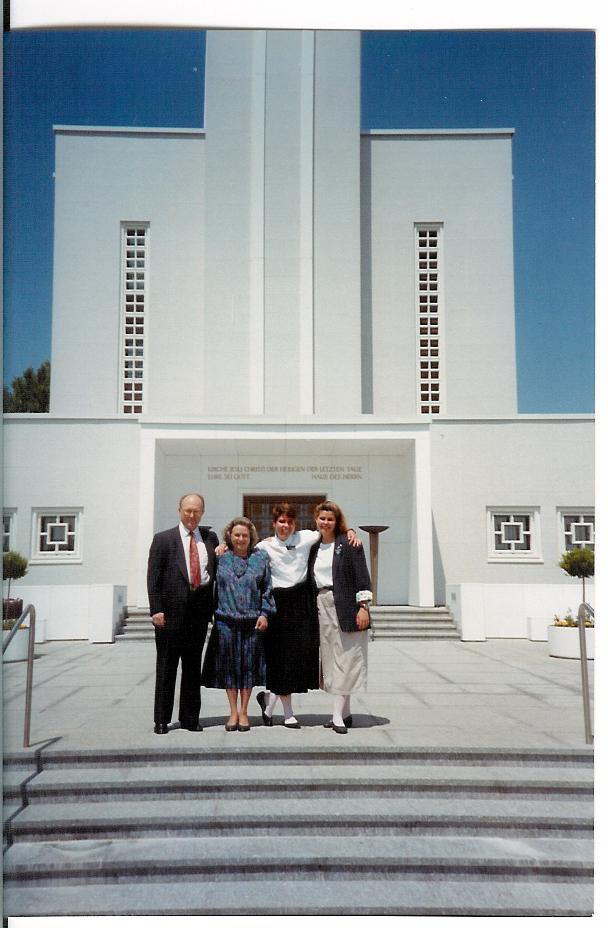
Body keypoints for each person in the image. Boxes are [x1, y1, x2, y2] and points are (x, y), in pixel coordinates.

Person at [254, 502, 363, 729]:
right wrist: (222, 546)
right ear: (274, 523)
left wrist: (350, 531)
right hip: (277, 603)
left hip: (302, 602)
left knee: (299, 658)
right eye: (281, 521)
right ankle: (287, 713)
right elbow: (241, 549)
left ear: (296, 524)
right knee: (281, 658)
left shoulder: (306, 538)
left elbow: (332, 531)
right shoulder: (264, 547)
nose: (286, 526)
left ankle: (268, 700)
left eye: (290, 522)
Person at [147, 493, 218, 734]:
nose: (192, 515)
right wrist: (156, 608)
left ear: (202, 513)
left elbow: (214, 572)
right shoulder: (163, 539)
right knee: (166, 668)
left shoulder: (209, 538)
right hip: (169, 615)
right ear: (179, 510)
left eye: (196, 511)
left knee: (191, 669)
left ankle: (190, 718)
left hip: (198, 615)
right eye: (188, 510)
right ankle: (161, 719)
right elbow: (153, 577)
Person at [202, 517, 275, 731]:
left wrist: (265, 614)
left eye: (244, 535)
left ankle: (244, 712)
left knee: (248, 668)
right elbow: (208, 585)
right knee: (229, 669)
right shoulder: (220, 558)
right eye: (237, 535)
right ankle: (232, 712)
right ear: (229, 537)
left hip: (252, 622)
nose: (241, 538)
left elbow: (267, 589)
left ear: (251, 537)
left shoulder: (261, 558)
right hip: (226, 622)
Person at [309, 500, 372, 734]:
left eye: (330, 519)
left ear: (337, 521)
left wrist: (363, 606)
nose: (325, 522)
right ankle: (345, 713)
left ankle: (336, 716)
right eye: (322, 518)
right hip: (321, 604)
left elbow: (362, 575)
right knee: (332, 659)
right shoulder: (313, 545)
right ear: (316, 519)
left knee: (347, 658)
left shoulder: (348, 543)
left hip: (347, 606)